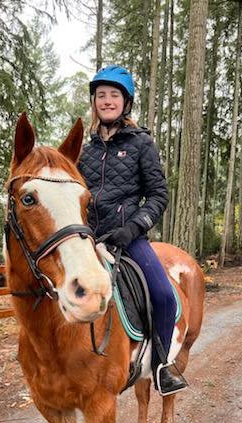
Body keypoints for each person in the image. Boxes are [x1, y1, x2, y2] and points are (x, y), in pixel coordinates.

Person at [78, 64, 186, 396]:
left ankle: (162, 366)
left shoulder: (142, 144)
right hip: (86, 238)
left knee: (165, 296)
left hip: (128, 239)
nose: (106, 101)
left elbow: (158, 195)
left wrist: (133, 227)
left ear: (126, 102)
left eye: (114, 95)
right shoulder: (86, 150)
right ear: (94, 102)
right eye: (101, 95)